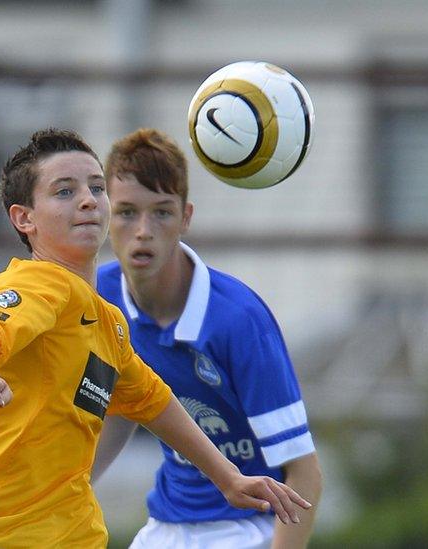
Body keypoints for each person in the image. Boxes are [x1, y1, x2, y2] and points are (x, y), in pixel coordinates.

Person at [0, 128, 311, 548]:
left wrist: (229, 479)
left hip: (67, 533)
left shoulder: (108, 323)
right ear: (25, 218)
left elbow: (154, 401)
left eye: (97, 188)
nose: (87, 199)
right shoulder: (36, 285)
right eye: (64, 191)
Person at [92, 128, 323, 549]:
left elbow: (305, 472)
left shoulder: (238, 320)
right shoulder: (99, 297)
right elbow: (123, 406)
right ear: (107, 214)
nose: (143, 230)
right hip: (166, 526)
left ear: (186, 217)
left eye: (161, 212)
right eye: (127, 212)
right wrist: (64, 488)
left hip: (251, 528)